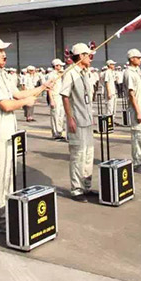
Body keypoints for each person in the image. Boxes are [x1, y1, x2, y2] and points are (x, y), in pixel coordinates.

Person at [0, 37, 47, 243]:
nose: (4, 54)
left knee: (8, 179)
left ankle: (1, 220)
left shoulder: (3, 74)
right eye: (0, 50)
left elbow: (17, 94)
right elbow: (6, 105)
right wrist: (27, 102)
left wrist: (43, 87)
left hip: (9, 132)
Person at [61, 43, 95, 201]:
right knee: (78, 155)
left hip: (87, 120)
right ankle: (76, 189)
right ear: (80, 56)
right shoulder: (70, 73)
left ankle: (87, 186)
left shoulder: (85, 73)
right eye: (88, 55)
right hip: (77, 120)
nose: (90, 58)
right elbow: (65, 96)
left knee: (88, 154)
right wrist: (70, 118)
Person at [124, 48, 141, 173]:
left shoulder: (137, 71)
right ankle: (138, 163)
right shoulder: (129, 73)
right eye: (139, 58)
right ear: (132, 59)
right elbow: (131, 94)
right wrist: (138, 111)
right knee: (138, 135)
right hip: (137, 109)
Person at [47, 59, 65, 140]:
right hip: (55, 96)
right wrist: (51, 99)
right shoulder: (51, 75)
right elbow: (49, 88)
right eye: (60, 65)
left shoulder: (61, 74)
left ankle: (60, 132)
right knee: (55, 115)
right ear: (56, 66)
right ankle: (55, 133)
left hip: (61, 96)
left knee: (61, 115)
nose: (61, 67)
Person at [103, 60, 119, 126]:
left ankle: (113, 120)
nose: (114, 65)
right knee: (110, 108)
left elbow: (114, 81)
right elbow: (106, 82)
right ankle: (109, 122)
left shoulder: (112, 72)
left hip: (113, 92)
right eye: (112, 64)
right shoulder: (107, 72)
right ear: (109, 65)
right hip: (110, 92)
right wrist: (109, 92)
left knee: (114, 108)